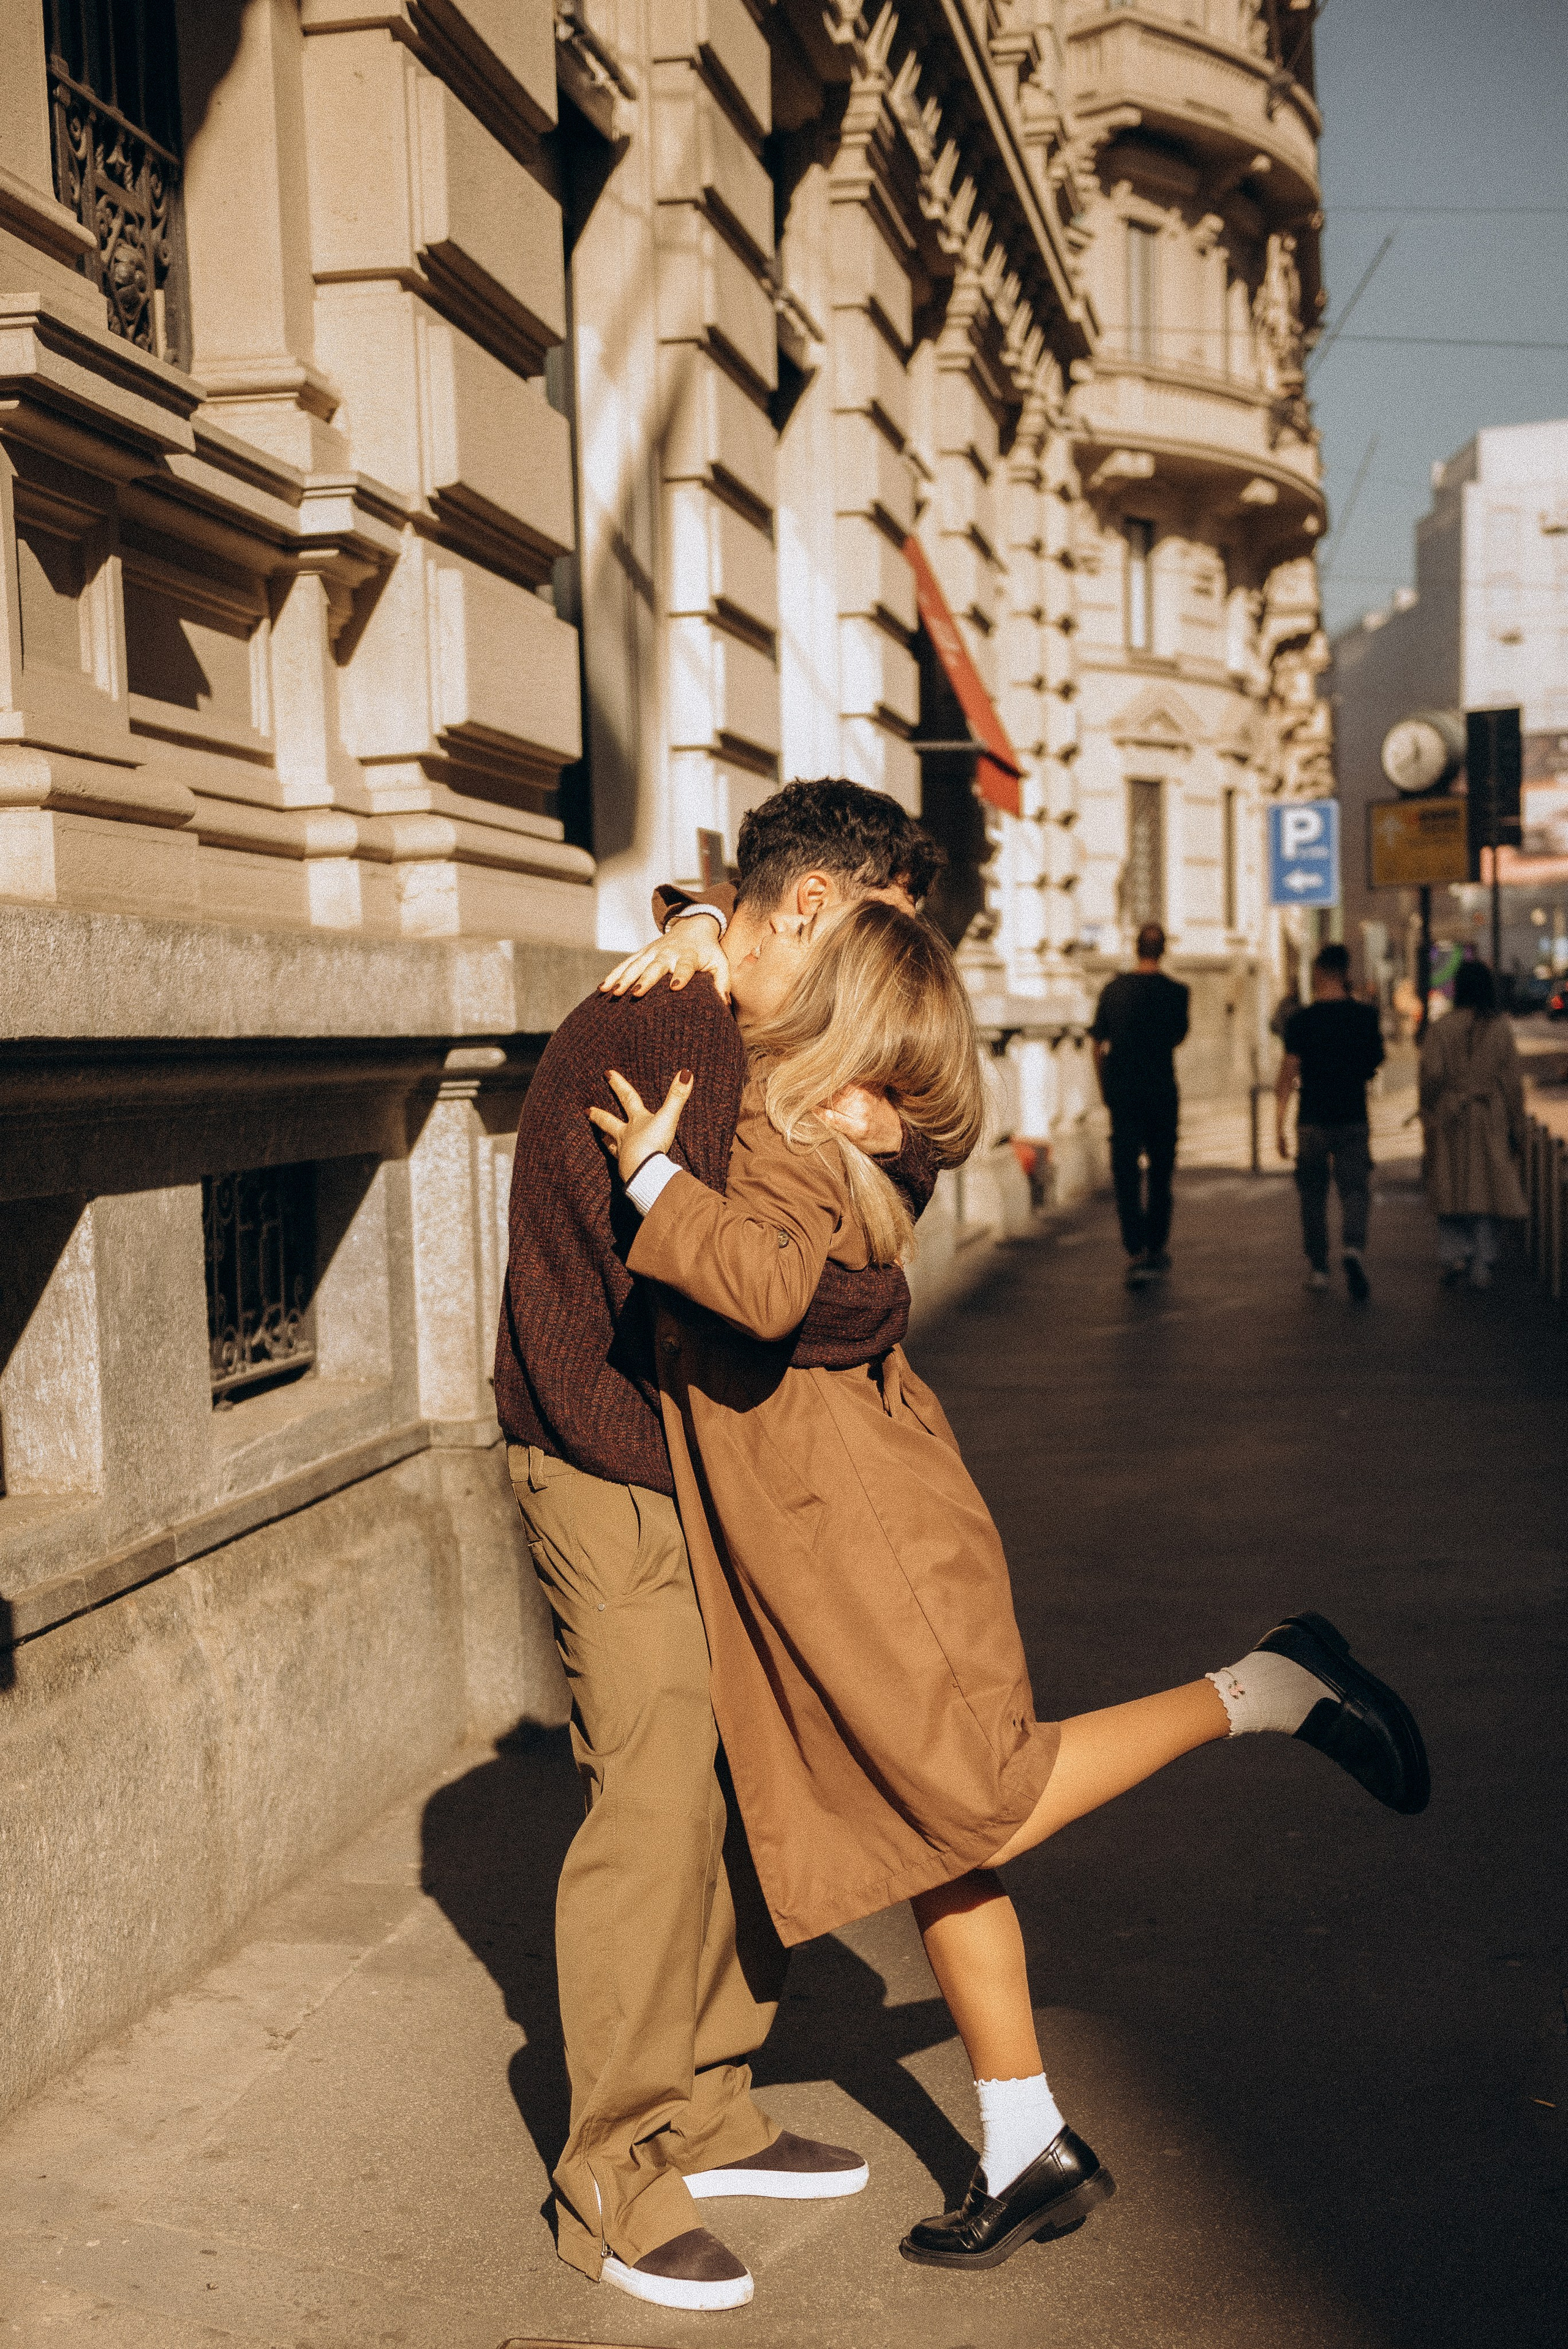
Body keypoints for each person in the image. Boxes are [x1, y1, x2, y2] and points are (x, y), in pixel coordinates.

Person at [590, 900, 1430, 2279]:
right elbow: (748, 958)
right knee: (939, 1844)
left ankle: (1263, 1688)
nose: (886, 1118)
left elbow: (756, 1282)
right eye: (882, 1083)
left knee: (972, 1800)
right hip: (839, 1536)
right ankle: (1021, 2135)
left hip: (868, 1545)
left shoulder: (786, 1146)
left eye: (903, 1102)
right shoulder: (793, 1118)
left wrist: (648, 1182)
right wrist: (693, 924)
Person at [494, 781, 944, 2313]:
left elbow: (880, 1172)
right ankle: (612, 2168)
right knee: (652, 1796)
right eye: (883, 920)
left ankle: (711, 2099)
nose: (894, 956)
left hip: (698, 1461)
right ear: (816, 909)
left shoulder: (739, 1015)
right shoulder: (670, 1031)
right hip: (608, 1453)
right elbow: (763, 1289)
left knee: (730, 1768)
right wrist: (875, 1298)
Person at [1276, 941, 1385, 1300]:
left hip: (1312, 1119)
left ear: (1319, 973)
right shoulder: (1365, 1018)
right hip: (1352, 1116)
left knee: (1312, 1195)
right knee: (1355, 1189)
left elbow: (1288, 1073)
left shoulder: (1301, 1020)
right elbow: (1373, 1065)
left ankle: (1320, 1267)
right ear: (1346, 973)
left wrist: (1279, 1123)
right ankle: (1352, 1249)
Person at [1090, 922, 1190, 1288]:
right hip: (1162, 1091)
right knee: (1162, 1172)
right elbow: (1178, 1036)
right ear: (1163, 950)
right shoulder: (1178, 993)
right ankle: (1156, 1246)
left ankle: (1134, 1248)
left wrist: (1105, 1087)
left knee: (1126, 1173)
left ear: (1136, 948)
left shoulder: (1113, 990)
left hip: (1124, 1094)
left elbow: (1097, 1045)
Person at [1418, 957, 1526, 1289]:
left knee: (1450, 1187)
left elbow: (1431, 1075)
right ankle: (1484, 1259)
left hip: (1452, 1115)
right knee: (1486, 1186)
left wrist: (1429, 1110)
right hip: (1488, 1114)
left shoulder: (1441, 1028)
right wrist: (1516, 1126)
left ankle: (1455, 1256)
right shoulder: (1501, 1028)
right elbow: (1512, 1082)